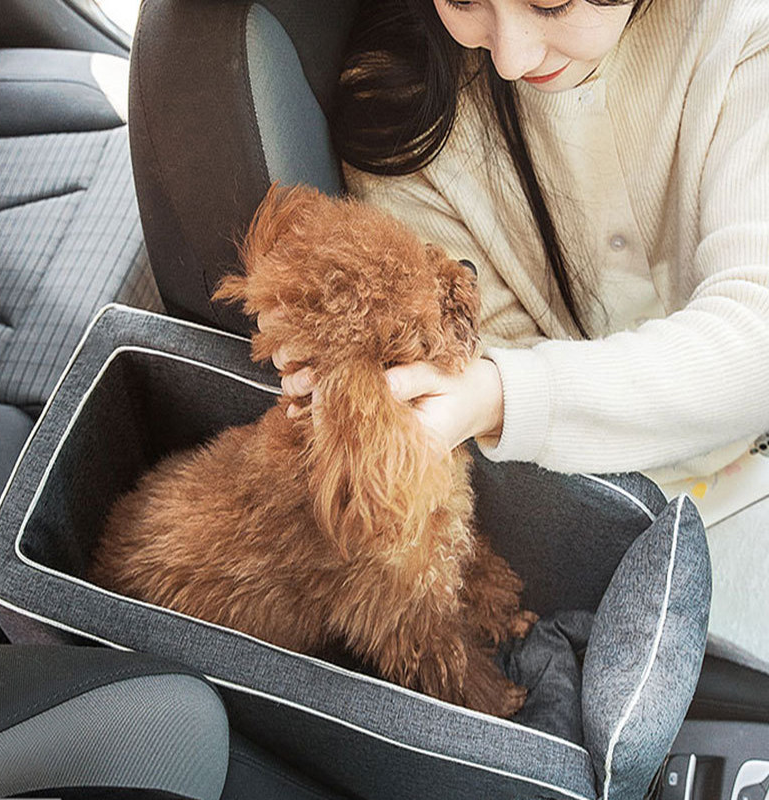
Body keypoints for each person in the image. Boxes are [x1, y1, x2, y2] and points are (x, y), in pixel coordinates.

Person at [264, 0, 769, 671]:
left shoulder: (741, 32)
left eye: (551, 3)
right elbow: (460, 360)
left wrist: (505, 393)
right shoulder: (400, 108)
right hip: (610, 521)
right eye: (466, 0)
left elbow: (756, 336)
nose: (508, 56)